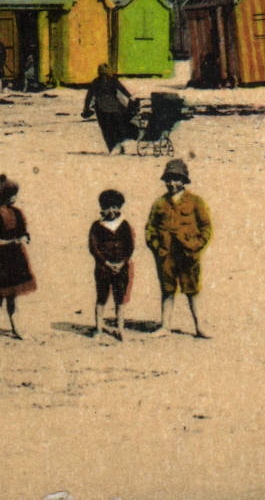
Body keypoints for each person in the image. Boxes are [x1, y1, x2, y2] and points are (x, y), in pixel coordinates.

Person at [145, 159, 212, 338]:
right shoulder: (159, 203)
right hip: (166, 255)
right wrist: (157, 247)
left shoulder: (196, 202)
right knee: (167, 290)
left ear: (184, 181)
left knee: (192, 290)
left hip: (187, 255)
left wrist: (195, 245)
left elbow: (206, 227)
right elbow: (150, 228)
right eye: (168, 179)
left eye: (176, 179)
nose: (172, 184)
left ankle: (200, 327)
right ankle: (165, 326)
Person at [0, 174, 36, 339]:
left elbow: (24, 232)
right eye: (12, 194)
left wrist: (25, 237)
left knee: (12, 296)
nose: (15, 197)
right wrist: (15, 241)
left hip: (15, 259)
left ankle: (16, 329)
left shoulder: (18, 213)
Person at [89, 189, 136, 342]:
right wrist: (106, 262)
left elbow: (130, 246)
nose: (111, 211)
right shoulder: (97, 226)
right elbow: (93, 247)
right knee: (101, 298)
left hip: (121, 268)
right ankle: (99, 329)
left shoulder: (124, 225)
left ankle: (120, 328)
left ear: (120, 207)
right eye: (107, 207)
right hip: (103, 268)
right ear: (102, 208)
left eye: (115, 207)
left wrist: (122, 262)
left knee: (120, 298)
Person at [82, 63, 137, 154]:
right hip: (115, 108)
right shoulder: (113, 80)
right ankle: (119, 144)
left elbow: (89, 97)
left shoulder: (95, 82)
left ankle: (112, 147)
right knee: (118, 126)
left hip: (102, 110)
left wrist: (86, 108)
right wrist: (131, 98)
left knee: (107, 130)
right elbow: (123, 90)